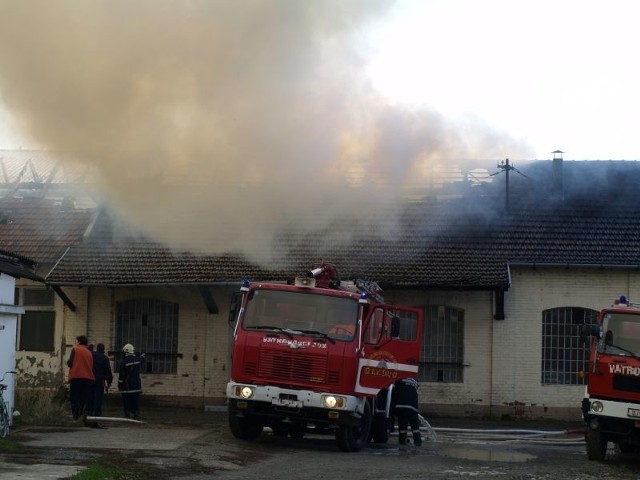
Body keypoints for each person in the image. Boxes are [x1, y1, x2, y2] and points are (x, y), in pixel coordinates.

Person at [66, 335, 95, 421]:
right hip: (88, 378)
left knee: (75, 397)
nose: (75, 342)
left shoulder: (75, 349)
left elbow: (70, 363)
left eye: (76, 341)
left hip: (76, 377)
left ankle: (75, 416)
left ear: (79, 342)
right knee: (83, 398)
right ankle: (81, 414)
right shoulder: (89, 352)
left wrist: (68, 362)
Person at [393, 376, 422, 446]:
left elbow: (395, 392)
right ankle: (418, 442)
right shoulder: (414, 381)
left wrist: (394, 410)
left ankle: (402, 441)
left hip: (401, 406)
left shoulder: (399, 379)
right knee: (415, 427)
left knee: (402, 427)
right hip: (413, 407)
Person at [118, 343, 143, 420]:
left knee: (126, 401)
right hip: (137, 385)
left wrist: (120, 384)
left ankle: (127, 414)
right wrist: (142, 356)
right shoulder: (138, 359)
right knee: (135, 400)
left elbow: (121, 376)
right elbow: (142, 360)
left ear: (126, 352)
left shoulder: (123, 362)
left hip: (127, 386)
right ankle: (136, 413)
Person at [90, 343, 113, 417]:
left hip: (90, 379)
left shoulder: (91, 355)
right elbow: (108, 371)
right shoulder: (105, 358)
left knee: (90, 396)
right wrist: (109, 381)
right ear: (103, 349)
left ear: (97, 348)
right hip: (100, 380)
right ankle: (96, 412)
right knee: (98, 397)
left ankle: (89, 411)